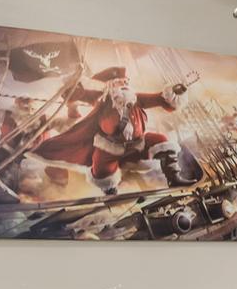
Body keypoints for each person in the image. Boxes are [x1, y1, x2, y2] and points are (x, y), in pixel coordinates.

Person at [34, 66, 192, 196]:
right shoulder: (100, 99)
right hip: (109, 147)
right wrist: (75, 80)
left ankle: (174, 177)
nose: (124, 83)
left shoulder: (136, 98)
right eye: (119, 82)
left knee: (160, 140)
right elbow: (72, 93)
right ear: (110, 85)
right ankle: (110, 193)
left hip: (137, 144)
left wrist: (175, 92)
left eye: (125, 81)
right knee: (101, 168)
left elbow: (160, 99)